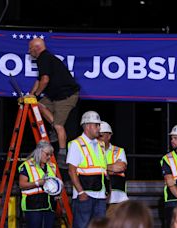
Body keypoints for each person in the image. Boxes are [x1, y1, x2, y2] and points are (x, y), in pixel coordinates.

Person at [28, 38, 80, 169]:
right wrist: (31, 95)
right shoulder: (44, 60)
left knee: (59, 125)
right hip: (54, 96)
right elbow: (39, 80)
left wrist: (36, 94)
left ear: (37, 48)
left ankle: (62, 155)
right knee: (38, 105)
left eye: (30, 49)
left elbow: (45, 80)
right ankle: (53, 127)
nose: (29, 51)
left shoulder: (44, 58)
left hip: (66, 96)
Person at [66, 111, 107, 228]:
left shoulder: (101, 144)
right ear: (88, 126)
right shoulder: (76, 144)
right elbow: (71, 170)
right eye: (96, 125)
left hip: (100, 195)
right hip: (85, 195)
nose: (99, 128)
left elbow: (102, 169)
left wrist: (106, 191)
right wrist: (81, 192)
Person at [18, 140, 58, 228]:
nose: (49, 157)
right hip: (33, 206)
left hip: (49, 205)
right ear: (39, 151)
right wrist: (37, 183)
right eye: (47, 154)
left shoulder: (52, 166)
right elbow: (21, 185)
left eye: (50, 155)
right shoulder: (27, 165)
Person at [98, 121, 128, 218]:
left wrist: (100, 168)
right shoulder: (92, 151)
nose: (98, 139)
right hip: (98, 196)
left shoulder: (119, 151)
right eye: (97, 136)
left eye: (101, 136)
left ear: (109, 136)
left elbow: (120, 167)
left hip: (117, 198)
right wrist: (111, 168)